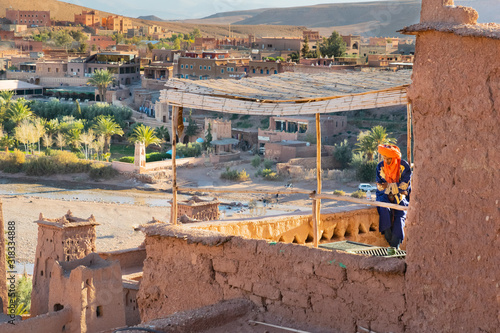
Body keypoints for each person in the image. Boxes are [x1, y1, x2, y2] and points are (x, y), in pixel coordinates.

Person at [375, 144, 411, 249]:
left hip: (401, 196)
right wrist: (393, 187)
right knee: (384, 208)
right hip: (384, 195)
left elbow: (404, 186)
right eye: (384, 158)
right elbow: (380, 186)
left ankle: (395, 244)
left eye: (389, 159)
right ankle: (389, 239)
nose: (386, 161)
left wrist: (389, 186)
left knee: (400, 215)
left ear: (394, 158)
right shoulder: (380, 166)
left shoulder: (404, 166)